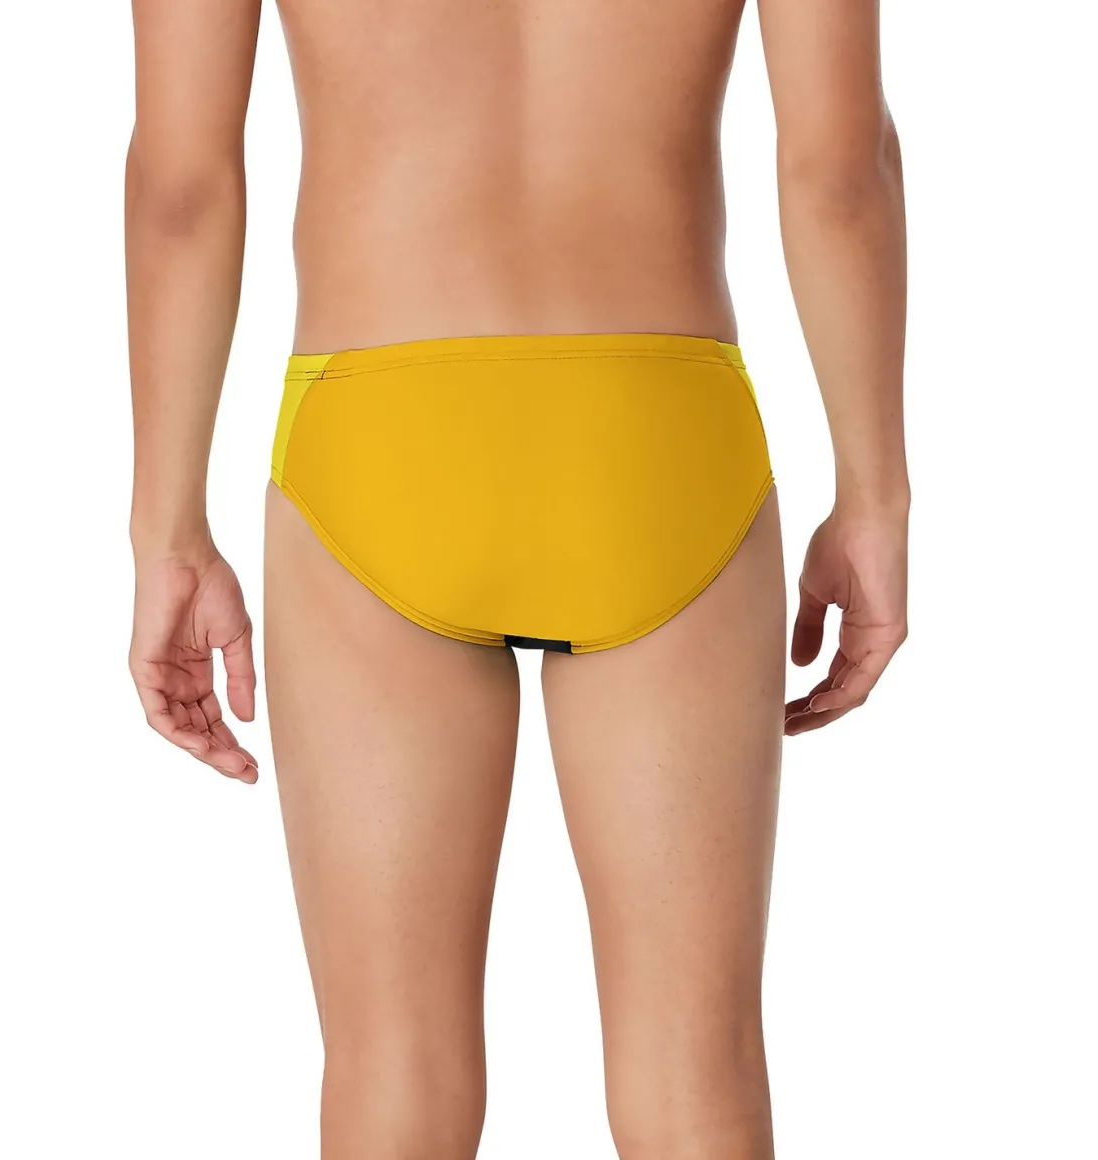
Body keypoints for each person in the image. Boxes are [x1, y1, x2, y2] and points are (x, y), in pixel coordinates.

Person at [125, 0, 908, 1154]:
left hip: (381, 439)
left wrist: (167, 531)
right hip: (653, 442)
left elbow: (182, 185)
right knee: (694, 1071)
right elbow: (838, 167)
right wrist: (874, 495)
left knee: (394, 1072)